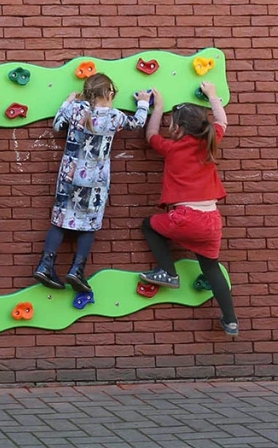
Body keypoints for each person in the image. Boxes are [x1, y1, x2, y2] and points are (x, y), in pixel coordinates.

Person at [34, 74, 150, 293]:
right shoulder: (115, 116)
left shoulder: (76, 109)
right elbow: (137, 123)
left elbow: (58, 125)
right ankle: (77, 270)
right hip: (95, 181)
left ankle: (45, 265)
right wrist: (143, 103)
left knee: (60, 219)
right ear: (109, 93)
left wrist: (67, 101)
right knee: (90, 223)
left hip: (68, 175)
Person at [139, 82, 238, 336]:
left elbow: (151, 135)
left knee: (149, 225)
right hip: (212, 220)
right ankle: (231, 320)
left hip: (186, 217)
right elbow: (222, 121)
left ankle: (168, 272)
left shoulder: (172, 148)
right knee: (211, 268)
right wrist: (213, 96)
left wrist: (157, 108)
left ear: (179, 128)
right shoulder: (209, 142)